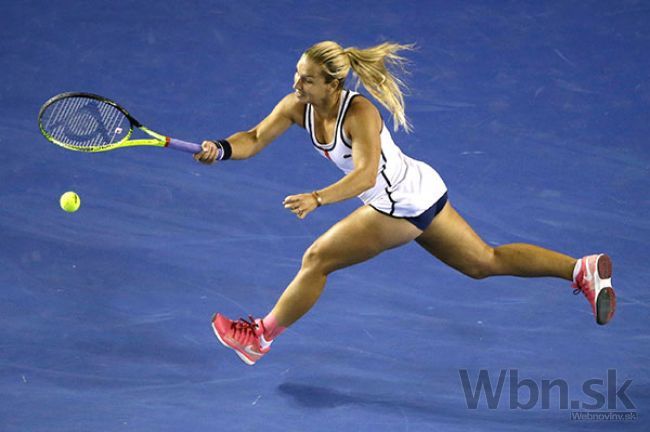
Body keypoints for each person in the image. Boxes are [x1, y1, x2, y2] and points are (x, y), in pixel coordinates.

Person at [195, 41, 616, 366]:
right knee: (482, 262)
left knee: (317, 258)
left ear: (333, 84)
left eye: (307, 79)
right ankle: (578, 269)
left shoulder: (359, 113)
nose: (296, 84)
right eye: (297, 74)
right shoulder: (296, 107)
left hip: (399, 203)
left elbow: (363, 175)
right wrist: (220, 147)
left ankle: (260, 338)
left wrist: (319, 198)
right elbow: (252, 137)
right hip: (421, 187)